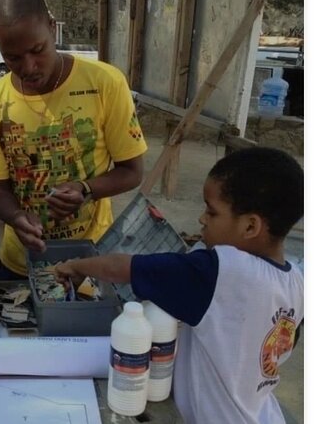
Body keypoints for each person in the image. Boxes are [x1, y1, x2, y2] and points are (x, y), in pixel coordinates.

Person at [55, 147, 304, 424]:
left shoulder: (222, 270)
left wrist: (75, 266)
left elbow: (122, 268)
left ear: (250, 226)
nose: (201, 219)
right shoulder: (296, 280)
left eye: (212, 212)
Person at [0, 0, 148, 279]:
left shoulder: (105, 83)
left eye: (37, 50)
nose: (28, 67)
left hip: (90, 258)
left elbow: (132, 171)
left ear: (53, 29)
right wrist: (17, 217)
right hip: (20, 262)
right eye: (13, 58)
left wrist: (86, 189)